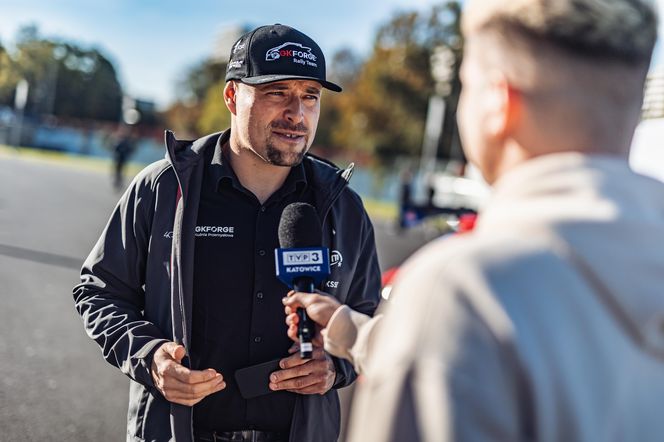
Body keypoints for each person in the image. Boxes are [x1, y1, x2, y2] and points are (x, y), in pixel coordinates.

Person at [283, 1, 664, 440]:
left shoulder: (463, 291)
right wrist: (353, 332)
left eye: (466, 84)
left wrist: (420, 329)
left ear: (498, 102)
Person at [73, 24, 381, 442]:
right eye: (277, 92)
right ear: (233, 97)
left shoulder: (344, 207)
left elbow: (368, 315)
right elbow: (99, 289)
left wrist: (337, 365)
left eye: (310, 96)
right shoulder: (164, 188)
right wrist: (150, 356)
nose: (297, 113)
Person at [112, 125, 136, 190]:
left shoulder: (127, 142)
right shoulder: (120, 141)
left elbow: (130, 150)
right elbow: (115, 149)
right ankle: (117, 181)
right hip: (119, 158)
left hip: (122, 159)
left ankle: (119, 181)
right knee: (117, 170)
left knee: (120, 171)